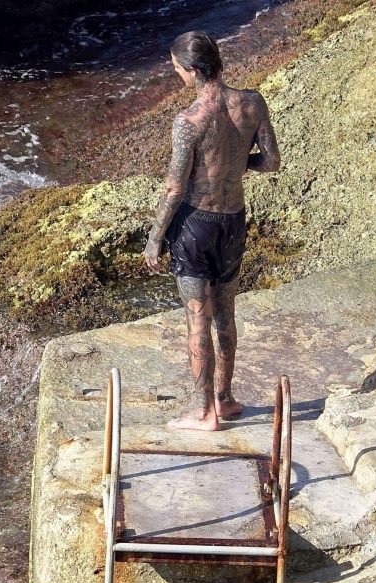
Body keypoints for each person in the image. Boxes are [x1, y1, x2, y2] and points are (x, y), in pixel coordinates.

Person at [142, 31, 281, 431]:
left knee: (197, 319)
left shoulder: (188, 121)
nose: (177, 75)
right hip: (233, 221)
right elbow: (271, 162)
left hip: (196, 226)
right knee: (226, 314)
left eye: (176, 69)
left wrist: (154, 239)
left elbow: (175, 188)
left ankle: (203, 412)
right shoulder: (253, 102)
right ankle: (225, 399)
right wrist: (235, 166)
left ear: (192, 70)